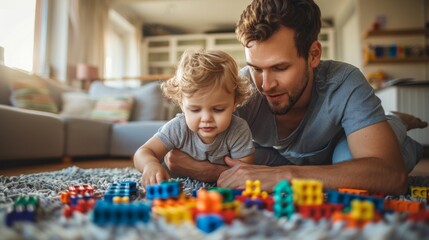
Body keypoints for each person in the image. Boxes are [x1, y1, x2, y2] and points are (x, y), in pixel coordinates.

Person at [163, 0, 427, 195]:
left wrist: (283, 175)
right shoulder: (241, 89)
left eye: (280, 68)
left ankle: (395, 123)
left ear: (313, 55)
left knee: (350, 165)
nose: (265, 85)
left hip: (343, 145)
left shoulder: (344, 82)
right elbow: (176, 155)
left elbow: (391, 176)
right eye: (256, 68)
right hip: (291, 155)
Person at [133, 49, 255, 186]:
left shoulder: (238, 129)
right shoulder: (178, 127)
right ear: (181, 104)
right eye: (195, 109)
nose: (206, 118)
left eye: (218, 109)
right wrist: (150, 164)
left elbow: (243, 173)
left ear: (235, 103)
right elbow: (143, 152)